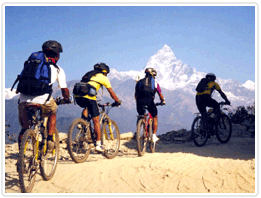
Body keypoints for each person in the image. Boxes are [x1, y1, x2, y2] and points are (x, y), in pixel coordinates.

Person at [18, 40, 70, 151]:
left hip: (23, 98)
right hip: (43, 99)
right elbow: (64, 89)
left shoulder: (31, 65)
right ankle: (50, 139)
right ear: (57, 55)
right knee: (53, 111)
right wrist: (66, 99)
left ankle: (20, 157)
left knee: (24, 129)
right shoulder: (57, 69)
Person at [74, 63, 122, 152]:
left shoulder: (89, 74)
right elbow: (111, 92)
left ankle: (82, 123)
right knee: (96, 121)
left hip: (78, 97)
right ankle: (98, 144)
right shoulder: (103, 78)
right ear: (104, 72)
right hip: (89, 98)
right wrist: (117, 101)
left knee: (87, 107)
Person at [134, 68, 166, 142]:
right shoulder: (155, 83)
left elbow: (135, 95)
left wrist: (138, 102)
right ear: (153, 75)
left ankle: (138, 131)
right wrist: (162, 101)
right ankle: (154, 135)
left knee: (141, 115)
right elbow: (160, 95)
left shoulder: (139, 82)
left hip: (139, 101)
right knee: (154, 116)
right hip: (149, 101)